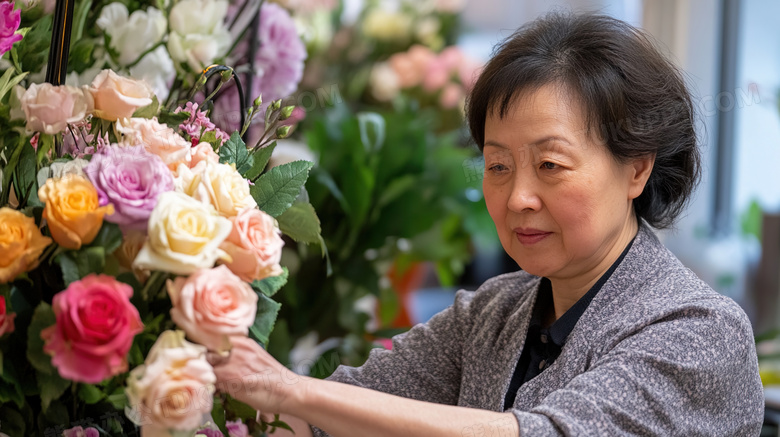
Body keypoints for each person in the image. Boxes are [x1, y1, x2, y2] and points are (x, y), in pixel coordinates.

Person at [210, 12, 765, 436]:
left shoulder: (700, 331)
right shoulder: (493, 314)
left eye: (550, 165)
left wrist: (286, 390)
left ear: (636, 169)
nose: (518, 196)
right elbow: (335, 412)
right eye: (498, 166)